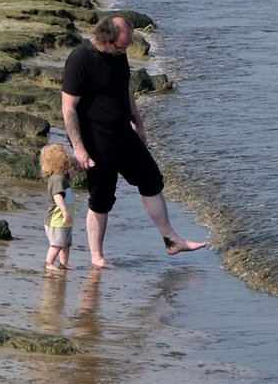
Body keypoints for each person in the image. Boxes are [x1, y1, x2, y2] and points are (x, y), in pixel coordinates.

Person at [61, 16, 208, 267]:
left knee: (151, 179)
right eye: (122, 46)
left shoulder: (119, 54)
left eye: (128, 46)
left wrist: (138, 124)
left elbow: (125, 88)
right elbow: (68, 109)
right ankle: (97, 257)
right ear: (107, 39)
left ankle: (171, 240)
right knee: (101, 198)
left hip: (123, 132)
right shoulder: (80, 60)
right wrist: (80, 148)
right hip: (96, 140)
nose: (125, 50)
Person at [40, 143, 79, 271]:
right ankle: (49, 263)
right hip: (56, 219)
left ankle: (64, 263)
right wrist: (64, 210)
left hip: (64, 221)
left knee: (66, 244)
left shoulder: (62, 177)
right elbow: (57, 196)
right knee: (57, 244)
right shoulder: (57, 179)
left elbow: (73, 173)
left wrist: (81, 165)